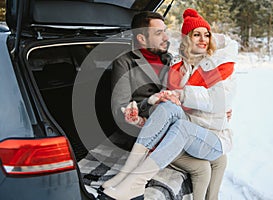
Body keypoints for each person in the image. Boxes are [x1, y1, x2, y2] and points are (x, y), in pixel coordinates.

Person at [100, 10, 235, 200]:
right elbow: (119, 108)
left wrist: (218, 111)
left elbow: (191, 97)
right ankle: (129, 177)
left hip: (171, 120)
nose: (166, 37)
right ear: (142, 38)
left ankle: (131, 180)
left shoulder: (172, 60)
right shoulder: (125, 62)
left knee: (220, 158)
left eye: (166, 31)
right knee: (203, 163)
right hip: (144, 127)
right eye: (159, 33)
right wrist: (147, 104)